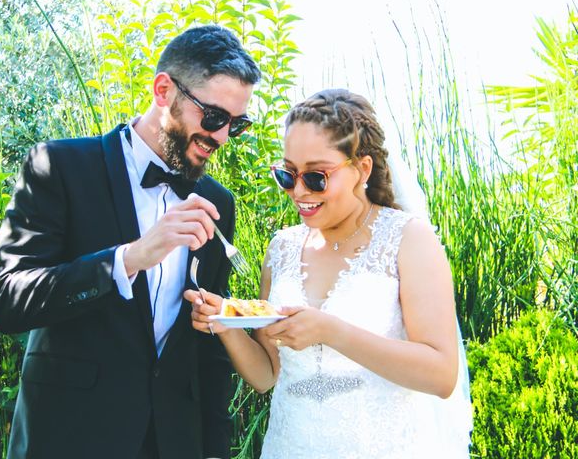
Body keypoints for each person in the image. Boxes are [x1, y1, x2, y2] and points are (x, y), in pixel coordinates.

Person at [0, 25, 261, 459]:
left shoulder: (216, 202)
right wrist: (128, 259)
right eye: (213, 117)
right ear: (163, 90)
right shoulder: (58, 166)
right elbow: (8, 300)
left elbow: (207, 346)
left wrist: (213, 449)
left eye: (236, 124)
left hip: (173, 443)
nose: (223, 137)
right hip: (69, 438)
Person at [186, 89, 473, 458]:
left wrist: (331, 331)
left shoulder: (408, 239)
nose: (299, 191)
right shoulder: (282, 248)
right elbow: (266, 375)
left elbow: (441, 374)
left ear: (362, 169)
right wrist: (224, 325)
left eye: (317, 177)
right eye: (287, 175)